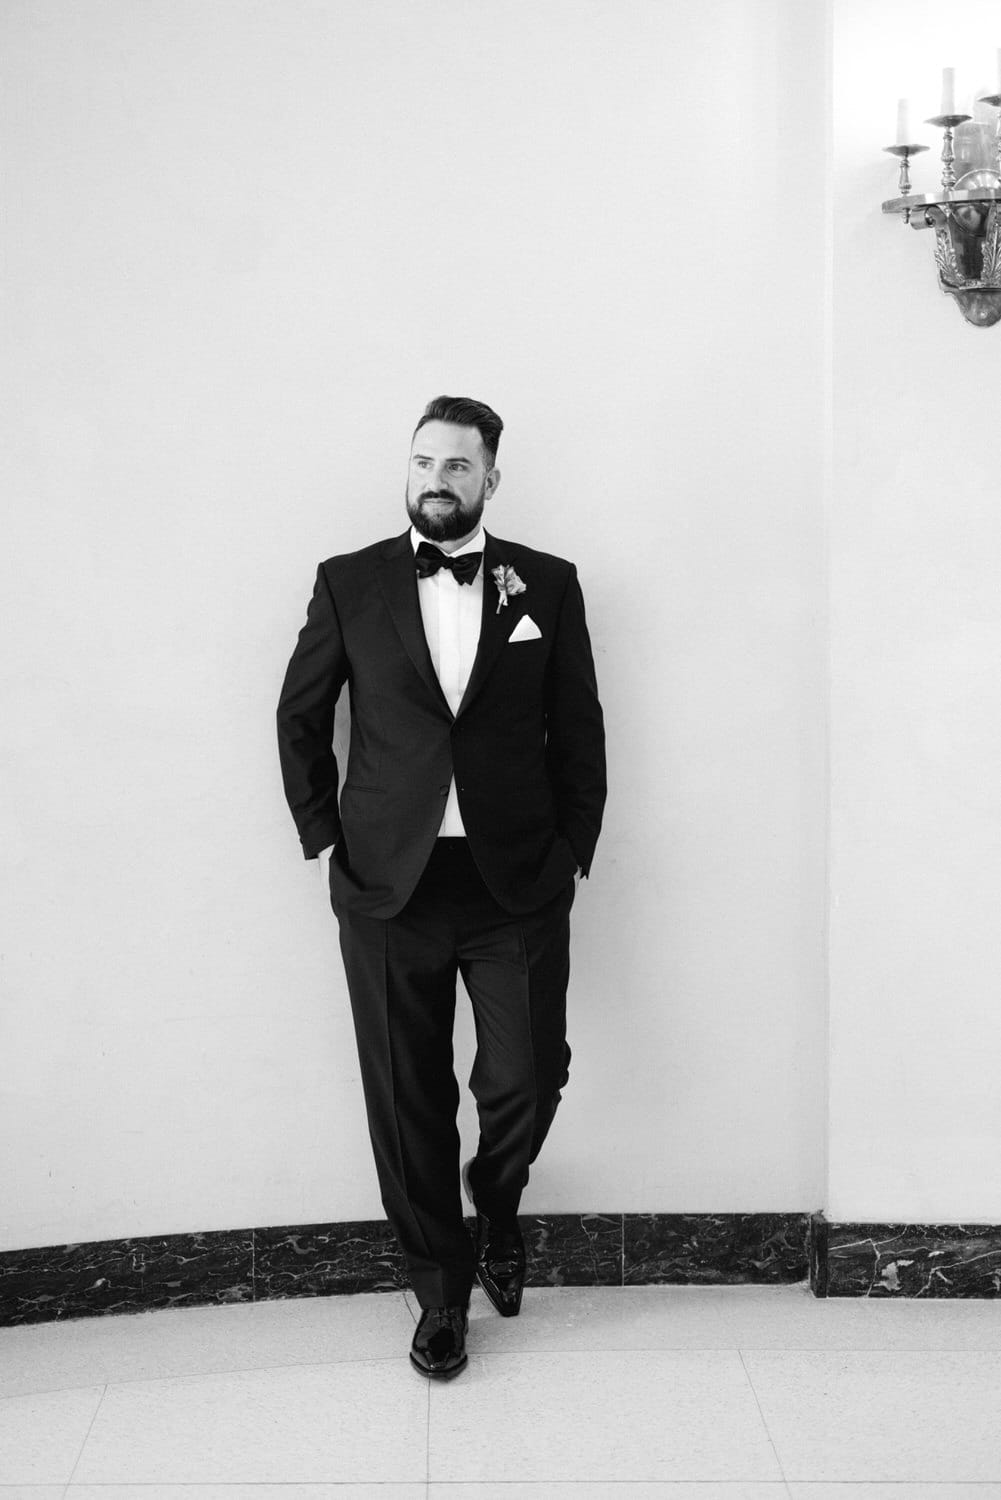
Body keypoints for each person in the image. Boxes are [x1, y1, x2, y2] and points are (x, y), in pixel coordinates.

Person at [276, 395, 606, 1379]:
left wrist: (573, 846)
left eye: (457, 466)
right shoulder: (350, 583)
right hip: (388, 890)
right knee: (406, 1099)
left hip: (515, 884)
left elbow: (577, 726)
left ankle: (495, 1204)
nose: (435, 480)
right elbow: (299, 715)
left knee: (525, 1076)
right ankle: (438, 1295)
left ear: (490, 479)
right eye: (423, 462)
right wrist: (326, 838)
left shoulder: (545, 584)